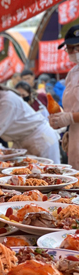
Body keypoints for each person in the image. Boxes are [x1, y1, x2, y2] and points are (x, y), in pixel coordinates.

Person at [50, 24, 79, 170]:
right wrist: (65, 124)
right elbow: (71, 107)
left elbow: (72, 115)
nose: (73, 52)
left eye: (77, 47)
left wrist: (71, 118)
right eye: (70, 48)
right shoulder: (72, 73)